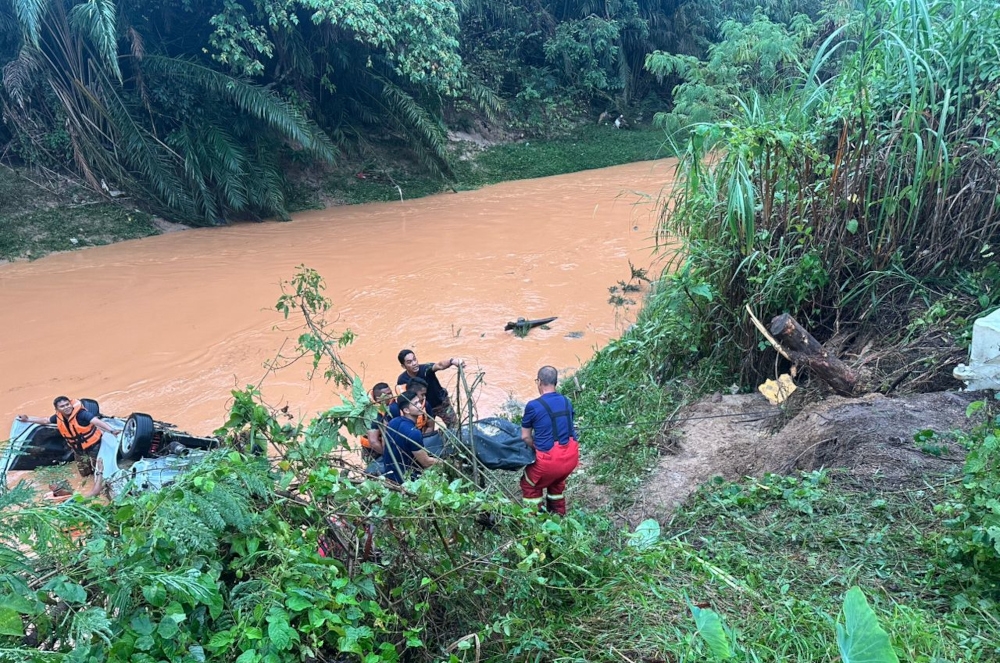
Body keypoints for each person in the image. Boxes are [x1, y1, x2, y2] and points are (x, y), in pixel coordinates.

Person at [17, 396, 123, 498]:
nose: (66, 407)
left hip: (94, 446)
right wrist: (28, 419)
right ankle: (88, 482)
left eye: (67, 404)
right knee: (83, 473)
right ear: (57, 409)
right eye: (62, 406)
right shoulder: (58, 417)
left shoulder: (82, 414)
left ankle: (99, 487)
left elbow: (96, 421)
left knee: (99, 471)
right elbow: (45, 420)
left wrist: (112, 431)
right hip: (78, 449)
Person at [520, 366, 579, 516]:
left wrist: (535, 447)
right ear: (556, 382)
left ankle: (535, 520)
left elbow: (525, 436)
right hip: (571, 458)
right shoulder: (567, 401)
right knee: (556, 483)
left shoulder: (533, 405)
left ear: (539, 382)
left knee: (529, 484)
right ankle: (559, 515)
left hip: (549, 461)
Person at [395, 349, 464, 428]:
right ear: (403, 366)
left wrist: (452, 361)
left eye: (414, 359)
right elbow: (406, 399)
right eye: (409, 362)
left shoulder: (426, 369)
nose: (414, 363)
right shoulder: (402, 380)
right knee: (426, 430)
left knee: (454, 426)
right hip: (423, 409)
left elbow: (439, 365)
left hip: (441, 403)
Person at [382, 390, 440, 484]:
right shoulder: (414, 433)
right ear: (406, 410)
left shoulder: (393, 422)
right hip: (406, 480)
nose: (421, 406)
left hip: (390, 475)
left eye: (419, 402)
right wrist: (446, 463)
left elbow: (385, 444)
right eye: (415, 403)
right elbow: (426, 462)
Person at [361, 383, 394, 464]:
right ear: (379, 399)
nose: (392, 396)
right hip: (373, 451)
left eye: (391, 393)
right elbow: (373, 442)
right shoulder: (374, 415)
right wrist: (389, 455)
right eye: (387, 395)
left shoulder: (387, 407)